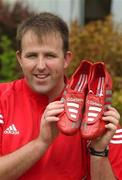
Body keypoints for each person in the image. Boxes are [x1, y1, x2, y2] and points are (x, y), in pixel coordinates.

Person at [0, 12, 121, 180]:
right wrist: (41, 143)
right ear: (20, 59)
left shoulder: (95, 111)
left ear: (66, 59)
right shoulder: (2, 98)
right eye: (32, 55)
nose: (41, 66)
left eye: (50, 55)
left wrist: (98, 151)